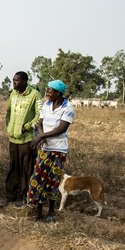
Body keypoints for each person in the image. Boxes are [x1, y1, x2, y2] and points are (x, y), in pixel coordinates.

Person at [27, 80, 74, 222]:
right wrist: (41, 136)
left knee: (53, 181)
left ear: (58, 93)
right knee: (38, 178)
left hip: (58, 150)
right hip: (45, 148)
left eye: (49, 90)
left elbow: (62, 128)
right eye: (47, 90)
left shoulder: (68, 107)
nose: (47, 92)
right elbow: (40, 122)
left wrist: (41, 136)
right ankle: (39, 211)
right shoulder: (46, 105)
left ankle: (51, 211)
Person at [2, 72, 42, 208]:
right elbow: (8, 111)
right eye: (13, 81)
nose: (14, 83)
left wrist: (27, 127)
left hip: (26, 139)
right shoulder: (13, 94)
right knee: (13, 168)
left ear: (25, 81)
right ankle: (10, 196)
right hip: (13, 138)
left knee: (26, 168)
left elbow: (39, 115)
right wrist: (9, 125)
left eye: (17, 81)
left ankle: (24, 197)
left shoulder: (34, 95)